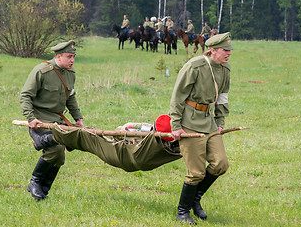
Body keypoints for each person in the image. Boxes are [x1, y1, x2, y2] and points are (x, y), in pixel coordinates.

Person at [169, 32, 233, 224]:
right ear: (212, 51)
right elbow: (178, 96)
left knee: (221, 164)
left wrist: (220, 122)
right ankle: (183, 211)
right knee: (196, 172)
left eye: (230, 50)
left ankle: (195, 199)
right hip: (189, 122)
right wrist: (175, 125)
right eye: (225, 50)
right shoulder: (195, 66)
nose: (229, 53)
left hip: (209, 122)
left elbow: (222, 97)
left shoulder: (225, 69)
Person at [19, 40, 84, 201]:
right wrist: (31, 118)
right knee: (55, 150)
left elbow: (70, 98)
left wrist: (78, 118)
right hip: (40, 119)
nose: (72, 60)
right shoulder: (41, 71)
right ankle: (34, 182)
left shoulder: (70, 74)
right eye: (69, 57)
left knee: (60, 156)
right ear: (58, 56)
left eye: (74, 57)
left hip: (57, 120)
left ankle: (43, 191)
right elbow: (25, 95)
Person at [29, 115, 182, 173]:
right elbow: (130, 125)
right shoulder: (168, 142)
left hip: (122, 155)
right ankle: (55, 142)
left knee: (85, 136)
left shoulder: (151, 141)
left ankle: (45, 140)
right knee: (86, 136)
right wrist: (125, 131)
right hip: (123, 150)